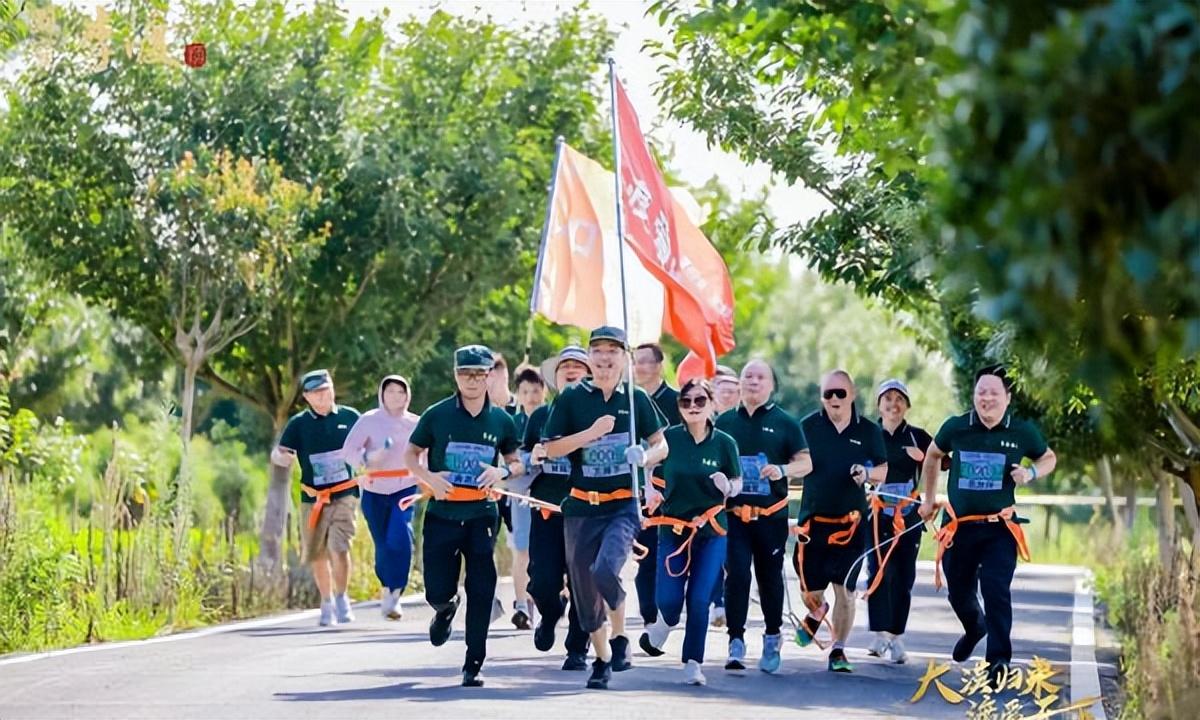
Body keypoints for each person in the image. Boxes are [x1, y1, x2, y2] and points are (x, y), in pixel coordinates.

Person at [543, 326, 668, 690]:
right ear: (589, 358)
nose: (604, 358)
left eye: (612, 351)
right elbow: (550, 449)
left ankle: (620, 636)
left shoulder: (636, 399)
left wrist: (645, 455)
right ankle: (601, 659)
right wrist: (591, 434)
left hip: (622, 506)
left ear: (624, 359)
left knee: (605, 568)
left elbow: (662, 445)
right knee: (583, 591)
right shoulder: (570, 400)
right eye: (597, 351)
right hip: (581, 507)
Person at [918, 364, 1057, 685]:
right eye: (981, 392)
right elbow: (932, 456)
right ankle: (974, 627)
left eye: (994, 393)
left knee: (996, 589)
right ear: (974, 395)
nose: (987, 398)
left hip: (999, 528)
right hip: (959, 526)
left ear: (1007, 398)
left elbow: (1047, 457)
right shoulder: (956, 427)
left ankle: (998, 661)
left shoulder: (1021, 432)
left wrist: (1030, 474)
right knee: (958, 592)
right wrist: (928, 500)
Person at [404, 345, 523, 688]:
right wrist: (430, 478)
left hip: (482, 515)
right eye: (465, 373)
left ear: (489, 376)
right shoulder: (437, 415)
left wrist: (501, 472)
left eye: (479, 374)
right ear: (455, 375)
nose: (471, 380)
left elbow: (516, 463)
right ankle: (445, 608)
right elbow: (411, 454)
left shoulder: (502, 419)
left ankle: (474, 662)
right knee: (437, 589)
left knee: (482, 586)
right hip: (442, 512)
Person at [639, 379, 741, 686]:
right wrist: (648, 489)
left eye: (700, 401)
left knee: (699, 599)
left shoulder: (725, 443)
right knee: (668, 601)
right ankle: (664, 624)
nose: (693, 407)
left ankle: (693, 662)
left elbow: (737, 483)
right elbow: (648, 466)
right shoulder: (669, 439)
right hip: (672, 528)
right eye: (686, 402)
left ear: (712, 404)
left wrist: (728, 486)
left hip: (712, 530)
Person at [715, 359, 812, 673]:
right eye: (748, 376)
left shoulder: (785, 422)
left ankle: (772, 636)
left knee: (769, 577)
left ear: (771, 385)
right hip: (734, 515)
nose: (753, 382)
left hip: (770, 516)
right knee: (738, 574)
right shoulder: (724, 421)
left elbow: (806, 463)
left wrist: (782, 470)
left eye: (760, 377)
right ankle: (735, 640)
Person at [794, 369, 888, 673]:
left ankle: (838, 650)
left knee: (845, 591)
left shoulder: (869, 431)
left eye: (840, 393)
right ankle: (817, 611)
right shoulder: (807, 426)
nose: (834, 399)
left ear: (853, 394)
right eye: (828, 394)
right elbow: (795, 462)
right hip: (813, 523)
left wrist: (867, 473)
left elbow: (883, 470)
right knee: (810, 592)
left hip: (851, 524)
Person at [271, 369, 361, 627]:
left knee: (339, 547)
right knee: (318, 553)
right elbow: (281, 452)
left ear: (333, 389)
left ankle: (343, 597)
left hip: (345, 493)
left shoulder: (350, 417)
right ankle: (326, 601)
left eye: (326, 390)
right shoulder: (299, 424)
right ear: (307, 397)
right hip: (313, 498)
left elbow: (368, 445)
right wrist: (281, 458)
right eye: (316, 393)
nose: (323, 396)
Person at [528, 346, 594, 671]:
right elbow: (520, 460)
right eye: (564, 366)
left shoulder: (600, 419)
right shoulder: (541, 416)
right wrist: (532, 457)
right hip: (546, 511)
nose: (570, 370)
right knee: (542, 581)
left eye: (578, 366)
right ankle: (550, 613)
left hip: (587, 512)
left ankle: (577, 648)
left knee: (584, 580)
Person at [341, 374, 420, 620]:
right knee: (383, 543)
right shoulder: (368, 420)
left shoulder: (416, 423)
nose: (396, 397)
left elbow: (426, 452)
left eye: (401, 392)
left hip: (405, 487)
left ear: (408, 395)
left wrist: (425, 475)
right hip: (375, 490)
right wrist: (367, 460)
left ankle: (397, 591)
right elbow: (349, 451)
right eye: (391, 392)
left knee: (400, 535)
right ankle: (387, 588)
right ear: (382, 395)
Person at [865, 378, 932, 664]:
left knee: (904, 574)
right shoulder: (868, 435)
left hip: (908, 514)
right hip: (876, 514)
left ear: (907, 405)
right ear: (879, 405)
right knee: (879, 571)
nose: (893, 404)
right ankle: (880, 634)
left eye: (899, 399)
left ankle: (896, 636)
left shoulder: (918, 436)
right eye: (888, 399)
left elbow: (946, 463)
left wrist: (924, 458)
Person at [632, 342, 679, 639]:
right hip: (640, 490)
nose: (638, 368)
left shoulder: (677, 401)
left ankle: (671, 609)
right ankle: (649, 614)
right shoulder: (629, 401)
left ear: (659, 365)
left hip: (672, 490)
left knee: (670, 554)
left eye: (644, 362)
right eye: (634, 362)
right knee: (646, 553)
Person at [488, 352, 528, 629]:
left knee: (522, 548)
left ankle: (524, 602)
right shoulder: (479, 412)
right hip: (489, 492)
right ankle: (489, 600)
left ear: (504, 375)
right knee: (484, 547)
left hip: (519, 490)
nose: (488, 380)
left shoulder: (521, 409)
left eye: (493, 373)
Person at [506, 365, 545, 631]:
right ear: (517, 394)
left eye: (535, 390)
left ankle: (554, 596)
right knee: (522, 550)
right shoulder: (511, 424)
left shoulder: (553, 418)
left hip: (550, 495)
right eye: (525, 391)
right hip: (519, 494)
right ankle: (521, 604)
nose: (530, 396)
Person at [708, 363, 740, 628]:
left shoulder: (742, 424)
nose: (727, 395)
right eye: (722, 390)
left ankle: (727, 602)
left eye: (732, 390)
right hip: (709, 502)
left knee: (734, 560)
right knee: (714, 556)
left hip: (740, 502)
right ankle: (717, 602)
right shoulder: (704, 422)